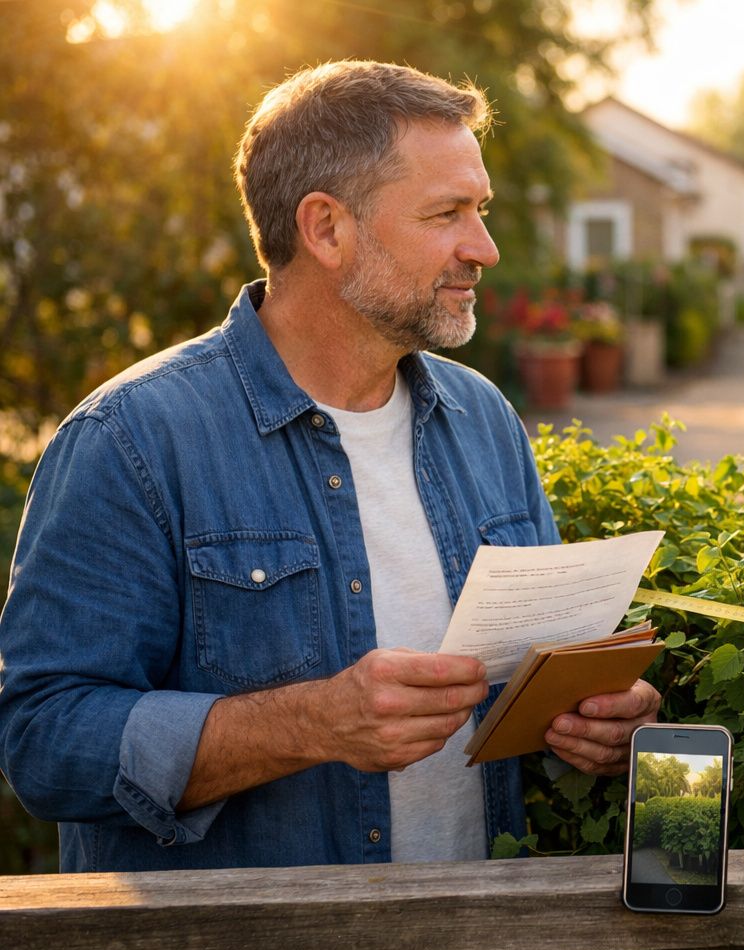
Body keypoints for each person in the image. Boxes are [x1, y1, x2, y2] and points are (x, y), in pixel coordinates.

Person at [0, 61, 658, 872]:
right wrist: (313, 723)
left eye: (480, 211)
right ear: (327, 229)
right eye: (447, 212)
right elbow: (43, 739)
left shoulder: (484, 418)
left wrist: (597, 724)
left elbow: (537, 689)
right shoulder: (130, 439)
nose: (483, 247)